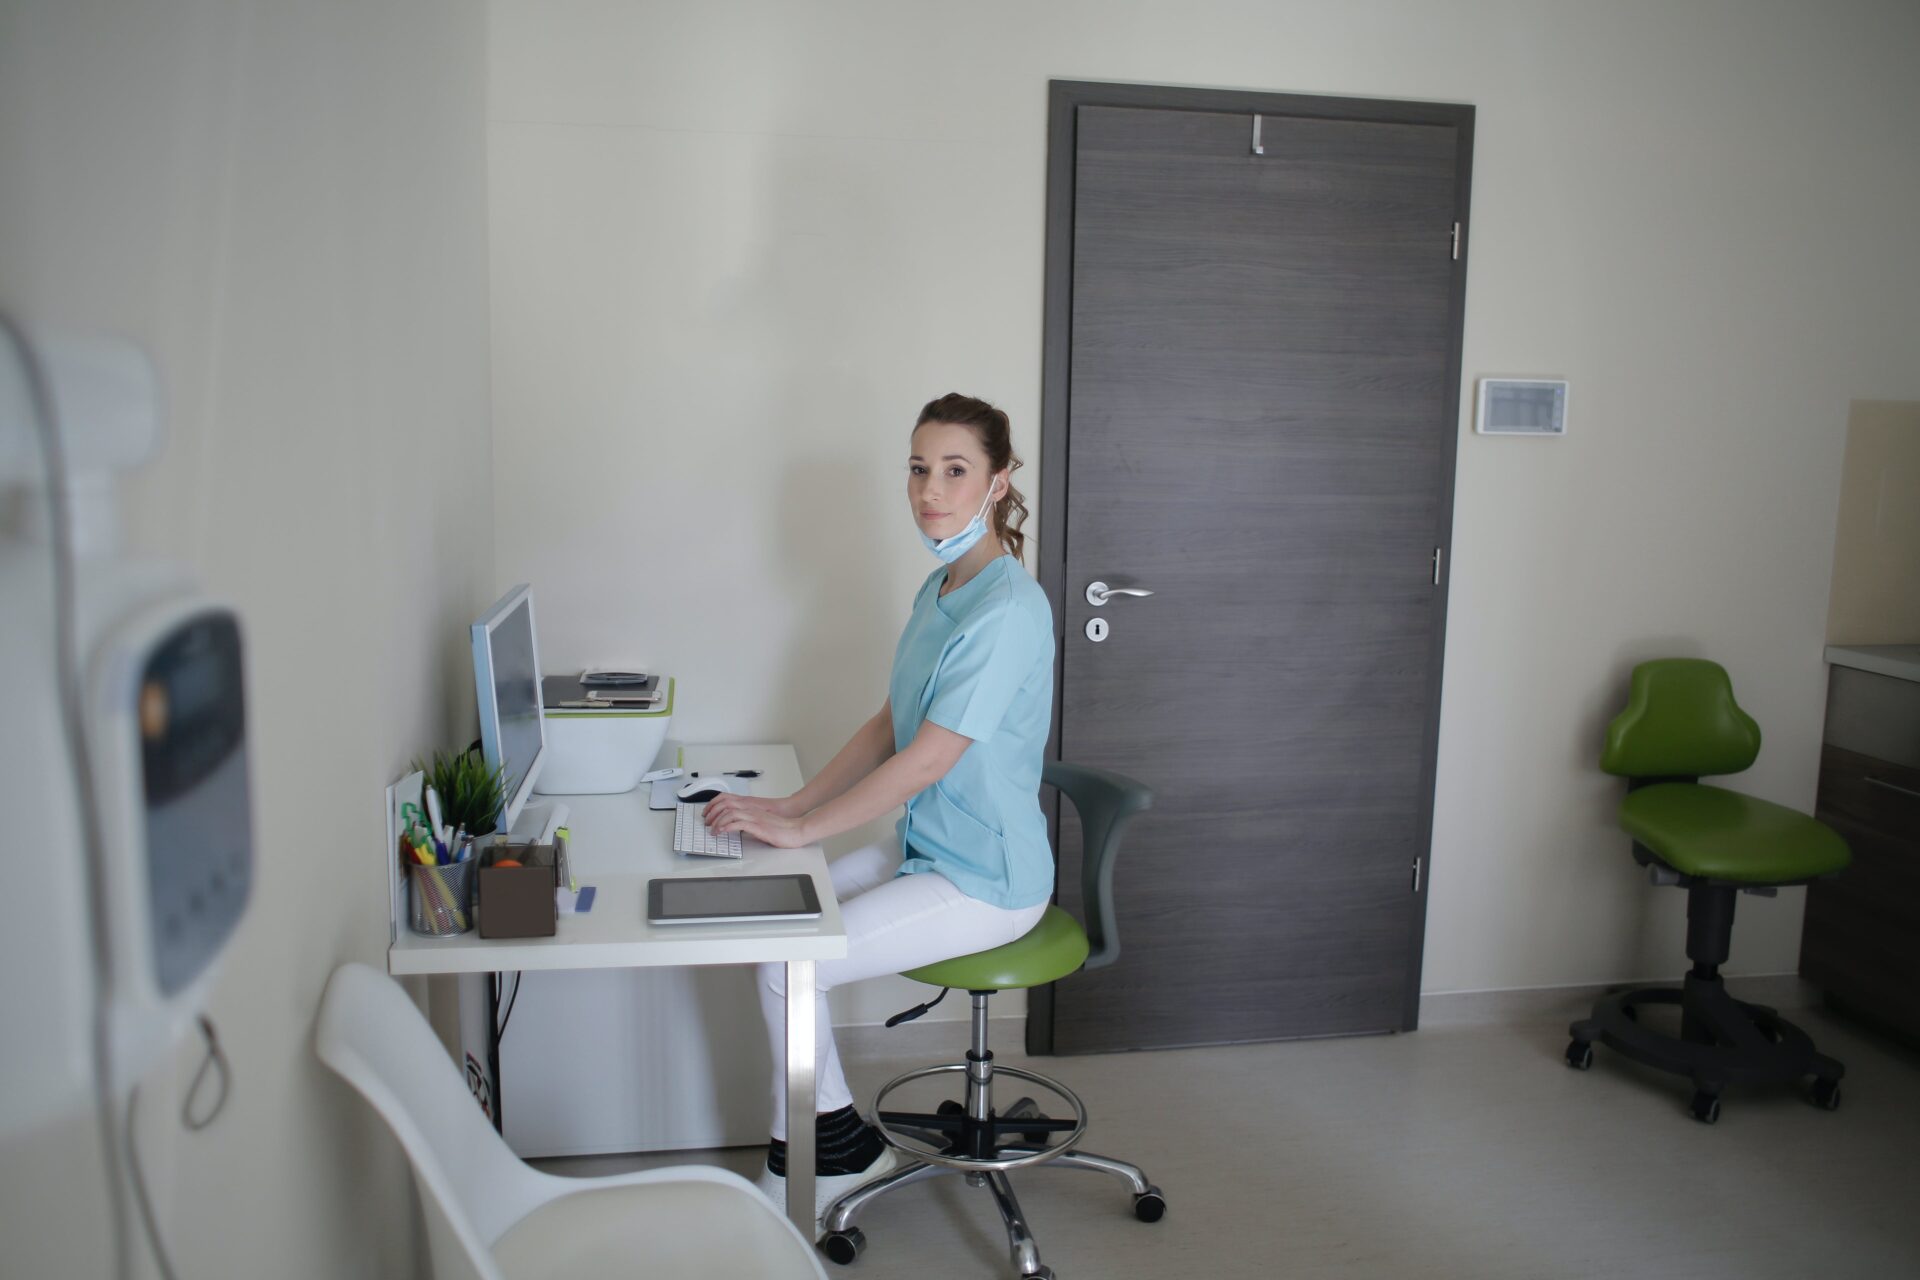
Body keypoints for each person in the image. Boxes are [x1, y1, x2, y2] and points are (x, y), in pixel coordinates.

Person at [702, 391, 1057, 1227]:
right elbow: (891, 724)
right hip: (928, 849)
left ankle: (825, 1160)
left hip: (986, 879)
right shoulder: (941, 590)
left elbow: (929, 757)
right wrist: (790, 805)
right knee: (778, 943)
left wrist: (798, 831)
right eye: (918, 468)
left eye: (956, 471)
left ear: (998, 484)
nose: (931, 490)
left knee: (796, 965)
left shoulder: (1007, 611)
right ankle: (839, 1145)